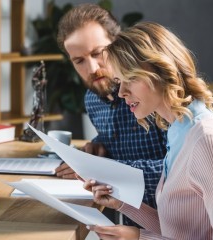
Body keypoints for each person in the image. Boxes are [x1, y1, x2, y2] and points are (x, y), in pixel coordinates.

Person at [84, 22, 213, 239]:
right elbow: (177, 229)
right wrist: (122, 203)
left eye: (130, 79)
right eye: (119, 82)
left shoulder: (207, 140)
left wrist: (139, 237)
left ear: (159, 71)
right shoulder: (178, 130)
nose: (121, 92)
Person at [54, 3, 166, 226]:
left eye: (98, 53)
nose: (92, 68)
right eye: (79, 61)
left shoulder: (152, 93)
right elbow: (116, 141)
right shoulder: (92, 99)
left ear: (118, 44)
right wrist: (96, 148)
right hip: (127, 220)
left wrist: (109, 170)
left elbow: (181, 170)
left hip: (176, 222)